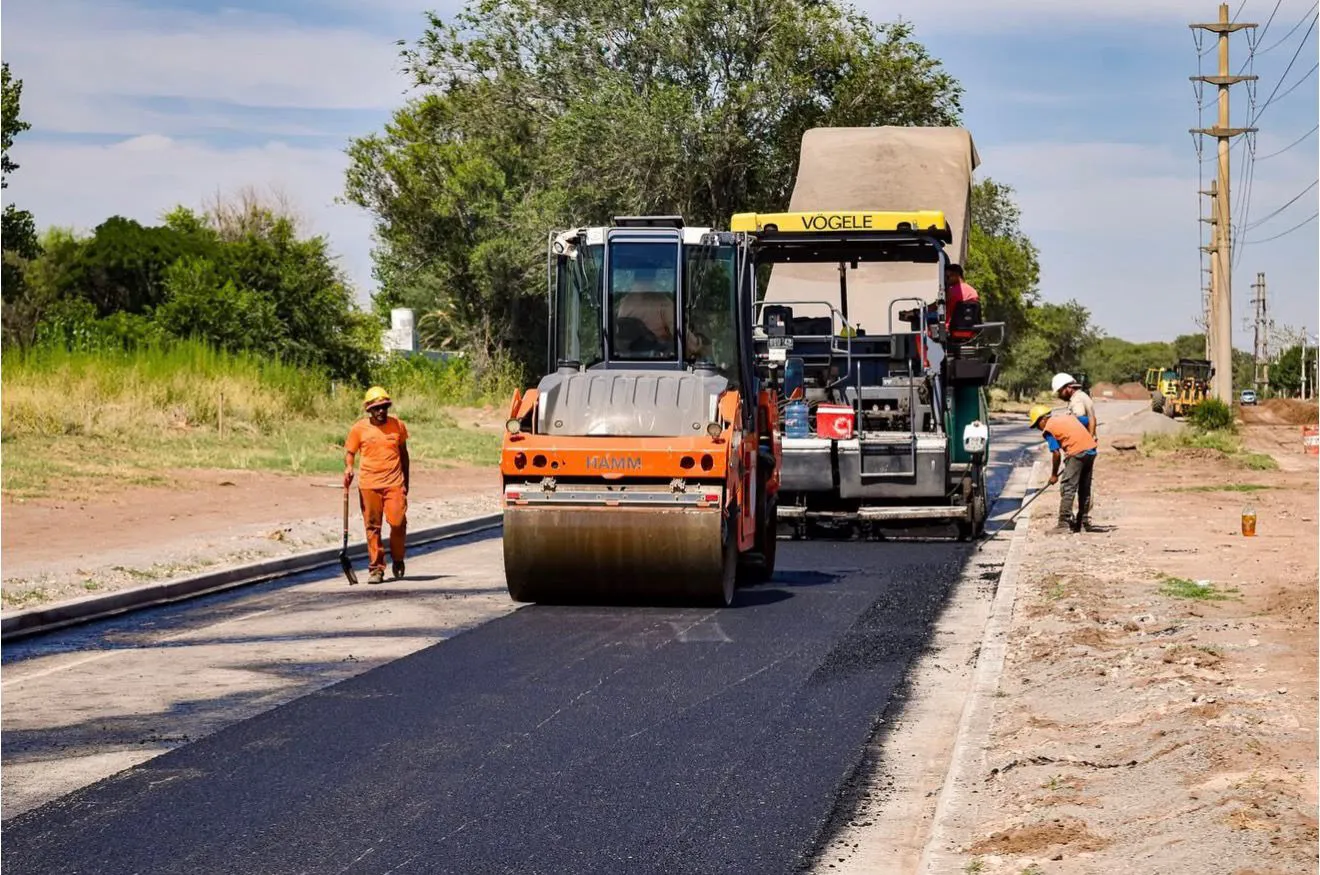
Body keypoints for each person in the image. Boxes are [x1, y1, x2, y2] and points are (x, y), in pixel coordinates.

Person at [344, 386, 410, 584]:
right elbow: (350, 453)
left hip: (394, 483)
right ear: (369, 410)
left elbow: (404, 455)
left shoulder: (398, 426)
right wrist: (349, 467)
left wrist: (406, 482)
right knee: (372, 527)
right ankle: (376, 569)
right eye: (377, 408)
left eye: (384, 407)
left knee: (398, 522)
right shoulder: (359, 429)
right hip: (369, 485)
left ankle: (398, 558)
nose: (381, 411)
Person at [1028, 404, 1098, 534]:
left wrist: (1054, 475)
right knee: (1084, 488)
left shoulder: (1048, 429)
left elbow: (1056, 453)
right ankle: (1082, 523)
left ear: (1043, 419)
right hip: (1091, 451)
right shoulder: (1068, 417)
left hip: (1077, 453)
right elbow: (1091, 419)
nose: (1039, 429)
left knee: (1068, 488)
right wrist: (1091, 436)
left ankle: (1063, 524)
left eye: (1037, 425)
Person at [1052, 372, 1098, 437]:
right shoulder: (1077, 397)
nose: (1059, 395)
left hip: (1083, 439)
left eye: (1060, 391)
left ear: (1069, 387)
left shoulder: (1077, 399)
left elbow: (1080, 419)